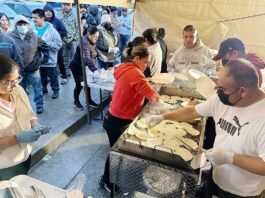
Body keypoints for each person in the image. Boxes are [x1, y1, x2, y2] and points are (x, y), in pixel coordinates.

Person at [147, 58, 265, 198]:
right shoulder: (222, 99)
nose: (217, 91)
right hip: (217, 175)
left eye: (221, 89)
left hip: (243, 191)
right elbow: (193, 111)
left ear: (243, 91)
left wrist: (230, 158)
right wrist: (164, 117)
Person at [99, 42, 162, 193]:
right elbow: (153, 97)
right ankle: (106, 180)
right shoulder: (135, 73)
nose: (147, 65)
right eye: (145, 62)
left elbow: (136, 85)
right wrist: (170, 108)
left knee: (119, 151)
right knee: (115, 152)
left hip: (115, 116)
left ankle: (116, 173)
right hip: (117, 120)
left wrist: (146, 82)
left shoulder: (125, 67)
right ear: (136, 59)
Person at [0, 55, 50, 180]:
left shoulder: (18, 90)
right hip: (4, 165)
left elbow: (29, 112)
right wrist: (16, 139)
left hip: (24, 156)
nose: (15, 85)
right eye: (9, 82)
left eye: (17, 79)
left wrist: (34, 124)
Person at [8, 15, 49, 114]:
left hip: (33, 69)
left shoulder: (34, 36)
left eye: (24, 23)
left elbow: (45, 48)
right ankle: (23, 107)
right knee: (20, 91)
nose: (22, 26)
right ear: (15, 25)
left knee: (37, 88)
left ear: (28, 24)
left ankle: (39, 105)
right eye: (19, 24)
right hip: (18, 71)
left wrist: (42, 61)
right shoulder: (10, 36)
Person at [70, 27, 107, 110]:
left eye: (97, 37)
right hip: (77, 66)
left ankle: (89, 100)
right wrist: (95, 70)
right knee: (79, 84)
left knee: (87, 84)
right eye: (94, 36)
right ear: (88, 34)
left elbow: (94, 48)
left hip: (86, 67)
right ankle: (76, 101)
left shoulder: (91, 40)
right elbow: (86, 58)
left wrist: (100, 55)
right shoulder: (84, 43)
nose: (95, 39)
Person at [32, 9, 62, 99]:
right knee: (42, 77)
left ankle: (55, 90)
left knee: (53, 77)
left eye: (35, 18)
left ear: (42, 18)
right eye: (32, 17)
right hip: (38, 60)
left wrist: (47, 44)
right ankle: (44, 89)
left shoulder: (52, 30)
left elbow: (59, 44)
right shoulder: (32, 29)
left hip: (50, 60)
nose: (33, 20)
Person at [43, 4, 68, 85]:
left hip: (56, 45)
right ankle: (48, 78)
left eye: (50, 11)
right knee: (45, 62)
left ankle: (64, 76)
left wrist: (54, 32)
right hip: (45, 46)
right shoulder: (42, 22)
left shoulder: (58, 21)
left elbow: (64, 32)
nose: (48, 13)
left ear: (53, 12)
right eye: (46, 11)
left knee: (60, 60)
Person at [57, 3, 79, 76]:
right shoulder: (58, 14)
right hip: (63, 39)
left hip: (74, 39)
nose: (65, 7)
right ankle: (66, 70)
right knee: (64, 56)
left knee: (74, 55)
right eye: (64, 4)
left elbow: (79, 27)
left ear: (70, 5)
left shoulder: (75, 14)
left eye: (67, 5)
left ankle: (74, 69)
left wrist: (75, 38)